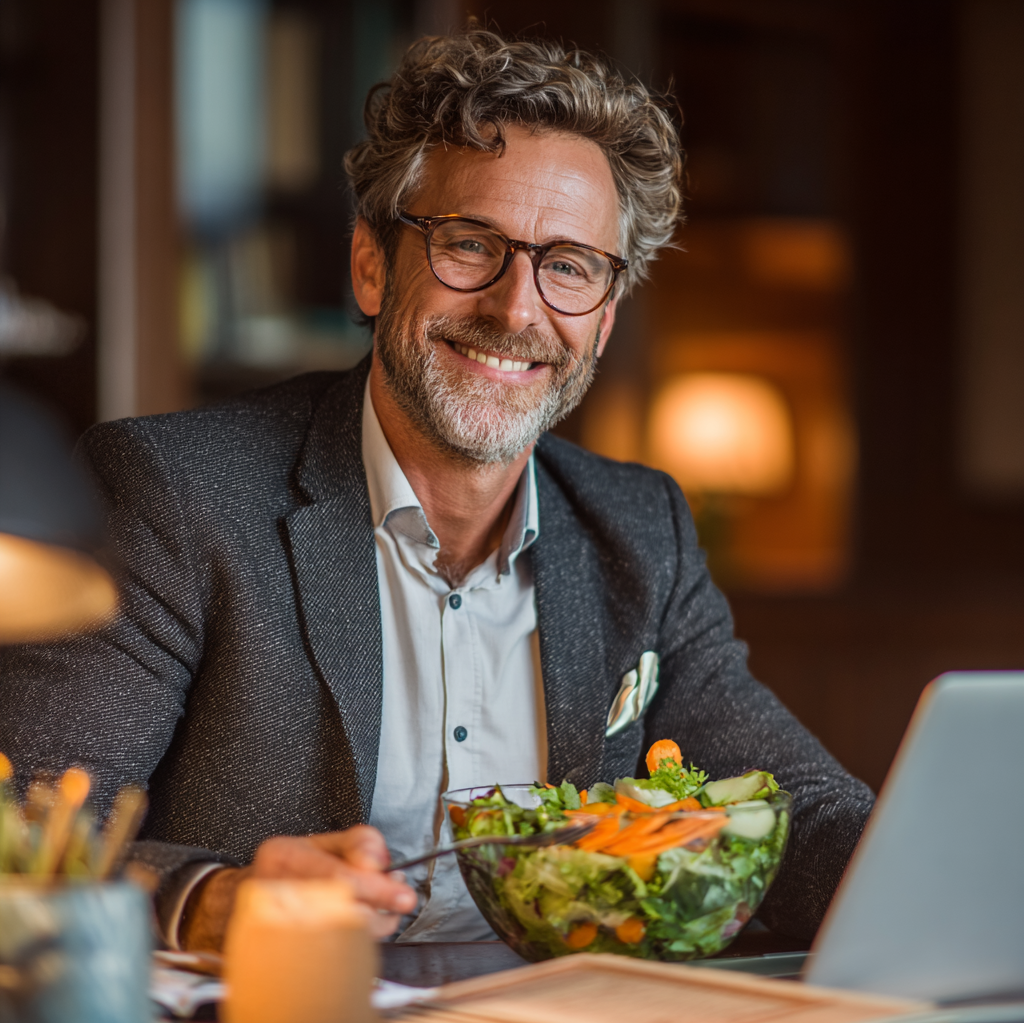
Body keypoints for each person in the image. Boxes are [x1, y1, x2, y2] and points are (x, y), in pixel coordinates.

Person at [0, 28, 873, 952]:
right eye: (468, 245)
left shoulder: (639, 527)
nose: (517, 308)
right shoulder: (173, 490)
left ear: (605, 319)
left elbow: (797, 806)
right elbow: (28, 832)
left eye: (569, 266)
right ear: (372, 266)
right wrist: (214, 898)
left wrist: (946, 879)